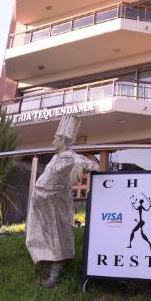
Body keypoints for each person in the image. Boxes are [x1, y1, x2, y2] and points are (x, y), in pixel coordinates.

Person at [24, 114, 97, 287]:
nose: (52, 142)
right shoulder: (57, 156)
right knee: (42, 233)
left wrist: (82, 166)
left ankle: (54, 274)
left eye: (55, 139)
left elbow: (90, 165)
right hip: (41, 202)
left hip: (55, 204)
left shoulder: (71, 156)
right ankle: (44, 260)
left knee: (58, 235)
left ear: (63, 140)